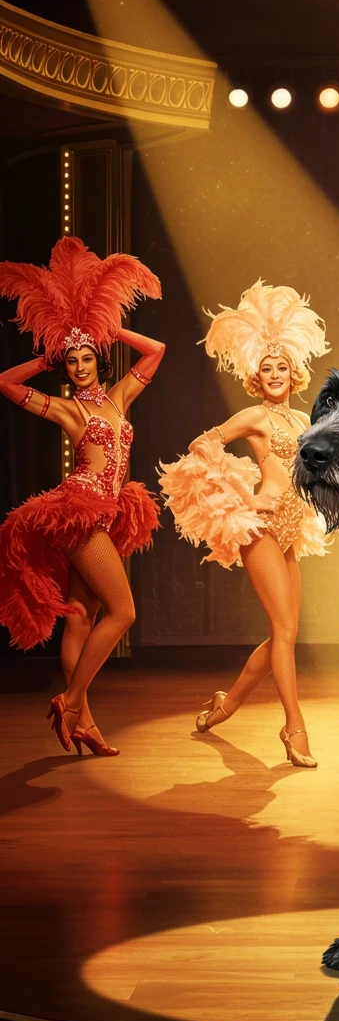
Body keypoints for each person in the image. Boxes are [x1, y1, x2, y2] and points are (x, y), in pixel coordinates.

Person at [0, 236, 163, 756]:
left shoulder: (120, 397)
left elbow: (156, 350)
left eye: (86, 356)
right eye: (71, 361)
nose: (79, 365)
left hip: (109, 512)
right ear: (66, 367)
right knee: (124, 613)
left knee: (83, 616)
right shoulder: (70, 411)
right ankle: (70, 703)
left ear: (99, 358)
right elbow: (4, 382)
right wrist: (45, 357)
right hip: (80, 514)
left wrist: (108, 328)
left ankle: (85, 720)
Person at [159, 282, 330, 768]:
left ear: (293, 373)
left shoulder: (303, 422)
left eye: (282, 367)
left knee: (284, 633)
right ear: (257, 376)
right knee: (284, 628)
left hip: (291, 534)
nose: (275, 375)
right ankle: (293, 725)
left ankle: (226, 703)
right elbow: (202, 444)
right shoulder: (255, 415)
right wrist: (241, 495)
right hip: (260, 530)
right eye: (266, 368)